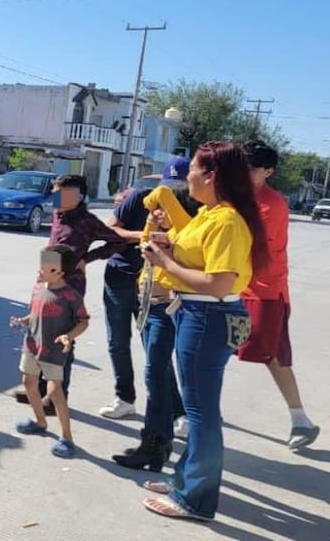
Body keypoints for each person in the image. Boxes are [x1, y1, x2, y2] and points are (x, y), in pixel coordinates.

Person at [140, 141, 268, 521]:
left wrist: (164, 259)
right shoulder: (210, 214)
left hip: (208, 316)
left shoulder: (227, 220)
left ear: (210, 176)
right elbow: (195, 255)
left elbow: (217, 282)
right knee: (198, 409)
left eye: (193, 169)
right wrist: (167, 242)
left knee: (200, 413)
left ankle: (195, 498)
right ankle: (187, 479)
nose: (187, 177)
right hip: (197, 314)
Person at [112, 168, 202, 472]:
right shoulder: (166, 232)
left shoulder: (186, 229)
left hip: (167, 309)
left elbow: (160, 195)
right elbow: (145, 244)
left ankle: (155, 441)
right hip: (150, 306)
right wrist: (152, 220)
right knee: (157, 375)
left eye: (164, 211)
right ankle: (157, 442)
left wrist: (161, 197)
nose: (158, 213)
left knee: (156, 375)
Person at [15, 174, 126, 412]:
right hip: (48, 282)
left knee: (62, 338)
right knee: (41, 333)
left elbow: (117, 242)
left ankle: (56, 398)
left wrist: (87, 258)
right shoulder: (58, 215)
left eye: (65, 194)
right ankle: (41, 389)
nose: (59, 198)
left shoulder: (86, 221)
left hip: (69, 287)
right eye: (56, 193)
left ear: (81, 196)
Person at [239, 140, 319, 449]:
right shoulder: (235, 196)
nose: (244, 173)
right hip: (230, 285)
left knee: (272, 355)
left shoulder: (271, 204)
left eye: (251, 168)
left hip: (264, 291)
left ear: (268, 171)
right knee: (208, 348)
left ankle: (301, 420)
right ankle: (193, 414)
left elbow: (246, 243)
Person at [99, 156, 191, 425]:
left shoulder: (191, 212)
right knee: (117, 342)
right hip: (120, 277)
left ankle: (177, 412)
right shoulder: (140, 197)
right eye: (168, 184)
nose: (170, 192)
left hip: (158, 288)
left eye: (178, 186)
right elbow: (110, 228)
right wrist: (142, 234)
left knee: (156, 352)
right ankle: (124, 398)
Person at [12, 244, 90, 458]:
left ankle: (67, 437)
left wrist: (69, 336)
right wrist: (23, 321)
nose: (40, 268)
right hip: (31, 345)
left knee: (55, 392)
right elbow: (34, 314)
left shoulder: (71, 296)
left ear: (60, 272)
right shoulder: (38, 288)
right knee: (29, 382)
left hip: (54, 351)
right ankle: (39, 421)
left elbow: (83, 321)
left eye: (45, 265)